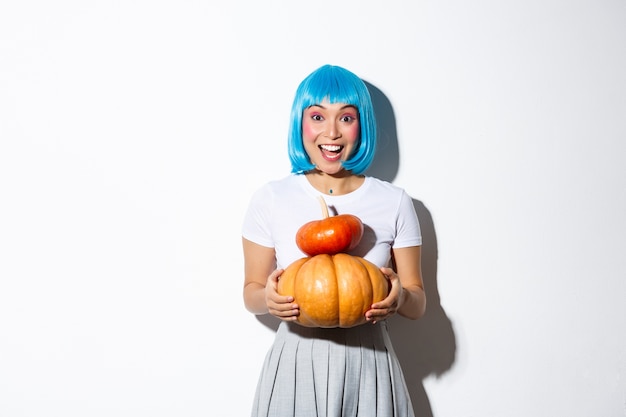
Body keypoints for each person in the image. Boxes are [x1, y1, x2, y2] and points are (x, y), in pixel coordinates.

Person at [242, 64, 426, 417]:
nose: (331, 132)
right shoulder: (271, 198)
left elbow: (418, 303)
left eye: (345, 118)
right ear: (301, 123)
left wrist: (400, 295)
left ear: (362, 126)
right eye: (317, 116)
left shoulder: (394, 202)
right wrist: (266, 297)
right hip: (296, 359)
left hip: (370, 361)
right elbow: (250, 292)